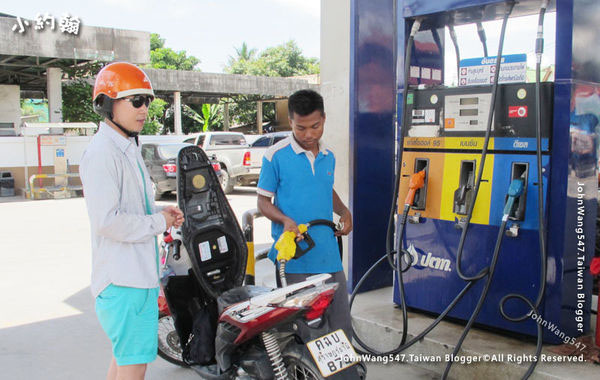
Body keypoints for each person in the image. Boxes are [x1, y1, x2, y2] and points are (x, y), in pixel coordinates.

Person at [80, 62, 184, 380]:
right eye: (135, 100)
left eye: (147, 101)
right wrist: (158, 223)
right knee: (133, 365)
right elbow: (107, 221)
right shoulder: (103, 153)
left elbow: (134, 208)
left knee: (123, 360)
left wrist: (161, 215)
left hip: (135, 278)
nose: (144, 109)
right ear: (108, 104)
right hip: (124, 282)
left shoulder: (127, 147)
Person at [257, 89, 353, 338]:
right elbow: (263, 202)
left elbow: (324, 189)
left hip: (328, 253)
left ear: (324, 118)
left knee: (340, 321)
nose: (309, 134)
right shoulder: (275, 155)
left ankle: (342, 374)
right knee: (305, 328)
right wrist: (285, 220)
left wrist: (343, 211)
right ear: (290, 122)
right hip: (294, 256)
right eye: (301, 128)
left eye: (316, 126)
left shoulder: (328, 155)